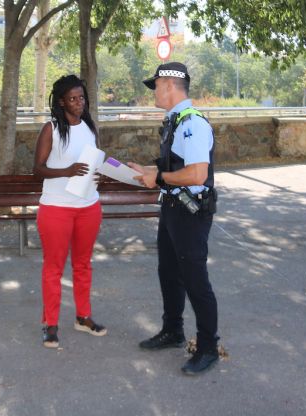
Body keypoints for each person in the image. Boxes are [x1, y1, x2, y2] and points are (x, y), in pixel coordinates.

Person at [128, 62, 220, 375]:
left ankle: (208, 347)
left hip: (189, 213)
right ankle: (173, 331)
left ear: (169, 84)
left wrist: (160, 178)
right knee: (169, 272)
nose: (153, 91)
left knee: (195, 281)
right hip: (173, 208)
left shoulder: (192, 123)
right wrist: (151, 172)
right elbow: (177, 166)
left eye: (155, 84)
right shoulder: (176, 121)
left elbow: (197, 173)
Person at [33, 75, 106, 349]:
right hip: (56, 208)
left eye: (82, 98)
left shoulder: (89, 126)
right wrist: (67, 171)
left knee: (83, 264)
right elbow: (37, 169)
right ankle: (50, 325)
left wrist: (99, 175)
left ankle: (83, 316)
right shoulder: (50, 129)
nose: (79, 103)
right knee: (53, 268)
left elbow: (92, 162)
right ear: (61, 101)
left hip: (88, 206)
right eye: (73, 99)